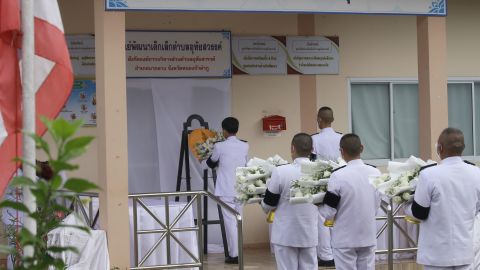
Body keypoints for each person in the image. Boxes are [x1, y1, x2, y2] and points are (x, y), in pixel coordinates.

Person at [405, 128, 480, 270]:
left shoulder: (429, 175)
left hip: (436, 255)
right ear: (463, 148)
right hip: (465, 252)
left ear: (440, 148)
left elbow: (419, 213)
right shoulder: (476, 173)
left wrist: (406, 205)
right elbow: (477, 209)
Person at [320, 133, 381, 270]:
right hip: (367, 234)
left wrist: (317, 205)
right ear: (362, 148)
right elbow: (376, 204)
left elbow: (329, 211)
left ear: (341, 151)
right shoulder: (375, 172)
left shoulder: (338, 175)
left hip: (345, 237)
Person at [261, 133, 318, 270]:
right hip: (309, 232)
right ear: (312, 149)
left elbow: (268, 204)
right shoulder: (319, 171)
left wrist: (260, 201)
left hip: (285, 234)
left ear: (292, 148)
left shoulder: (281, 171)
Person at [206, 117, 249, 264]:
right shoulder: (245, 145)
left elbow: (211, 162)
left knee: (230, 222)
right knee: (239, 220)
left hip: (226, 189)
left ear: (224, 130)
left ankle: (234, 254)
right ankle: (238, 252)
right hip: (241, 189)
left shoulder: (219, 146)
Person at [311, 106, 342, 266]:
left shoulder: (314, 139)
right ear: (333, 120)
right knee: (337, 217)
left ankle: (326, 255)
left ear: (319, 119)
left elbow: (311, 162)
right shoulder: (341, 137)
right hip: (341, 183)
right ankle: (337, 252)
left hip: (322, 184)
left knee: (322, 218)